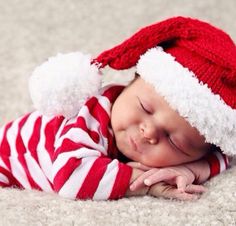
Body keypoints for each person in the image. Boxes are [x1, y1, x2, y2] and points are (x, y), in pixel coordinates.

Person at [0, 16, 235, 201]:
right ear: (131, 82)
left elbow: (224, 156)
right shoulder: (92, 116)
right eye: (145, 108)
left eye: (175, 142)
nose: (149, 132)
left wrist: (192, 170)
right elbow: (70, 178)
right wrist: (147, 183)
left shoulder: (207, 146)